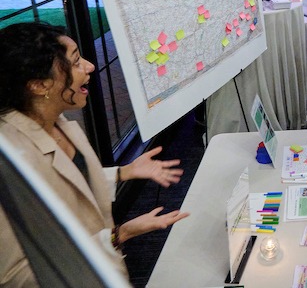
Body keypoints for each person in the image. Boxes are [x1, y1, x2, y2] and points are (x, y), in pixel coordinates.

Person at [0, 22, 189, 286]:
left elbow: (68, 182)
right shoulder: (9, 163)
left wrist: (126, 171)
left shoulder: (58, 121)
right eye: (76, 62)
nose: (90, 66)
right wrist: (118, 236)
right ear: (39, 85)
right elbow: (15, 276)